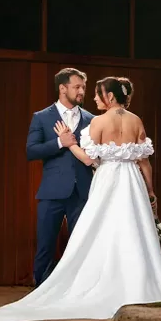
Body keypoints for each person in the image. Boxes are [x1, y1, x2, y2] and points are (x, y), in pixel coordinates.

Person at [0, 74, 161, 321]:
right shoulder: (135, 120)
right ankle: (138, 286)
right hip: (130, 183)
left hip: (106, 181)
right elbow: (145, 162)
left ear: (108, 96)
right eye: (79, 87)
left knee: (98, 234)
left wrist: (70, 142)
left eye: (94, 92)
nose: (89, 95)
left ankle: (97, 285)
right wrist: (150, 191)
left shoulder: (95, 121)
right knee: (132, 231)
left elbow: (90, 159)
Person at [24, 67, 96, 286]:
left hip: (82, 191)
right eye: (77, 87)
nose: (82, 91)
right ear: (62, 88)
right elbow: (31, 151)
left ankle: (78, 289)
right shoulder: (42, 117)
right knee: (45, 243)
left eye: (83, 87)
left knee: (81, 244)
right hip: (52, 190)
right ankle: (40, 290)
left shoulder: (92, 119)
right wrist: (58, 143)